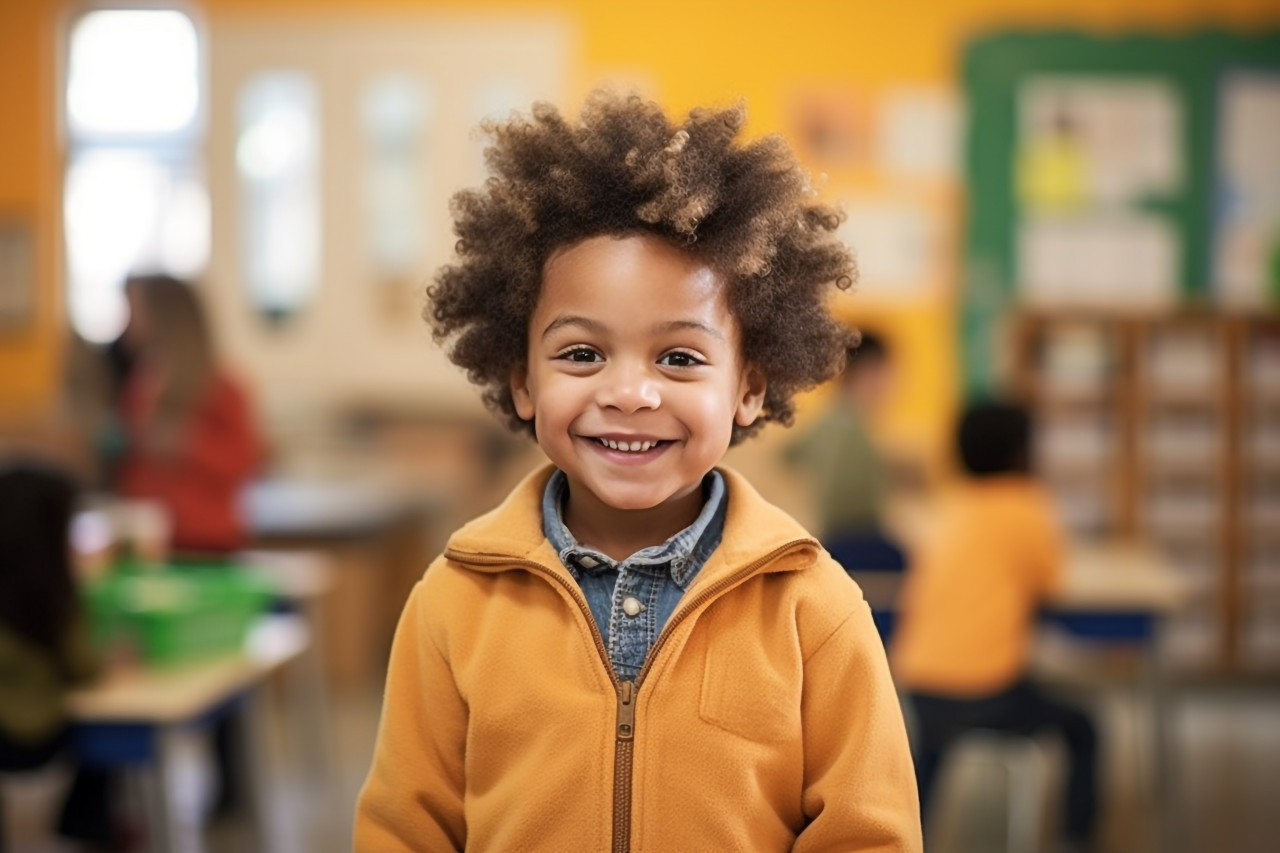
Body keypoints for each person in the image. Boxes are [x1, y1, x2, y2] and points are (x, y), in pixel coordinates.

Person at [354, 93, 922, 851]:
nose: (628, 393)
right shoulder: (452, 604)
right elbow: (403, 828)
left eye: (680, 357)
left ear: (749, 386)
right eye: (582, 353)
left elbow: (870, 836)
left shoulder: (814, 611)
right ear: (522, 377)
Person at [891, 400, 1099, 852]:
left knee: (933, 748)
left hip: (919, 685)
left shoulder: (950, 505)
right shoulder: (1026, 505)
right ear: (1023, 454)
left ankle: (906, 837)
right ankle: (1075, 840)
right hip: (987, 689)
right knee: (1084, 727)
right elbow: (1051, 582)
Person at [0, 461, 115, 849]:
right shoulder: (52, 594)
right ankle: (88, 827)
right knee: (106, 732)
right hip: (29, 739)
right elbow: (84, 669)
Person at [110, 273, 263, 556]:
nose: (128, 320)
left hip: (206, 540)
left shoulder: (221, 386)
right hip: (153, 538)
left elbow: (246, 460)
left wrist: (188, 443)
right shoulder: (142, 381)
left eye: (135, 309)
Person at [784, 330, 906, 571]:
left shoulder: (828, 420)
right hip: (854, 543)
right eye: (887, 374)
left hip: (834, 539)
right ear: (869, 371)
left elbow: (790, 456)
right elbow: (845, 504)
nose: (892, 385)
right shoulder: (849, 428)